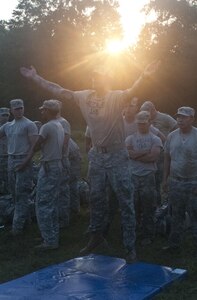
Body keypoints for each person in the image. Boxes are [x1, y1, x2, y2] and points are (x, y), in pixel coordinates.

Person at [20, 60, 160, 262]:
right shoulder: (83, 96)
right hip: (96, 156)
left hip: (117, 156)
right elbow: (59, 90)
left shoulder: (116, 97)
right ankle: (96, 237)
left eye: (100, 76)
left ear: (107, 79)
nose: (96, 79)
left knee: (125, 200)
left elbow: (133, 90)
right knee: (96, 198)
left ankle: (130, 246)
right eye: (94, 76)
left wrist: (144, 76)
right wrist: (36, 77)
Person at [17, 100, 65, 250]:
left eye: (44, 110)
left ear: (49, 111)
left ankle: (49, 241)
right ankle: (51, 235)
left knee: (43, 204)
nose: (41, 112)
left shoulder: (47, 126)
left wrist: (24, 162)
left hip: (49, 166)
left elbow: (36, 146)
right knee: (52, 203)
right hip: (57, 164)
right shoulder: (59, 124)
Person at [0, 99, 38, 235]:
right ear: (11, 110)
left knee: (22, 193)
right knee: (14, 194)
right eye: (16, 109)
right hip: (11, 160)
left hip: (23, 160)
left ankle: (17, 229)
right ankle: (25, 222)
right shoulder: (8, 126)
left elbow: (34, 146)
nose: (19, 110)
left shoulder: (29, 124)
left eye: (21, 108)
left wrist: (26, 162)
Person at [162, 107, 197, 251]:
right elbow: (166, 158)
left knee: (195, 216)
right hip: (175, 182)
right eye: (178, 117)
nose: (180, 119)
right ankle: (174, 245)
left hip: (193, 182)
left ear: (192, 119)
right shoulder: (172, 136)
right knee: (176, 214)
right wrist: (165, 180)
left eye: (184, 117)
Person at [125, 111, 163, 245]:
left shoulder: (155, 139)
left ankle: (148, 235)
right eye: (139, 123)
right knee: (133, 206)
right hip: (133, 176)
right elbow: (128, 153)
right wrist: (144, 152)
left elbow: (153, 157)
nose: (141, 126)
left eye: (143, 123)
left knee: (148, 207)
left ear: (149, 123)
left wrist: (136, 155)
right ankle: (133, 232)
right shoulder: (130, 138)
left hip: (148, 177)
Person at [56, 100, 71, 228]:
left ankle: (64, 219)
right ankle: (58, 216)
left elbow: (65, 142)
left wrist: (58, 155)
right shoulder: (53, 122)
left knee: (63, 189)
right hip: (55, 160)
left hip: (61, 159)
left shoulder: (63, 122)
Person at [68, 137, 82, 215]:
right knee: (73, 185)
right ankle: (74, 209)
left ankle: (72, 210)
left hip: (72, 159)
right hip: (74, 158)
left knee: (70, 185)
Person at [0, 108, 10, 195]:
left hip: (8, 156)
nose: (5, 117)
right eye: (3, 115)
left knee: (8, 177)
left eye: (7, 115)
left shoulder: (11, 126)